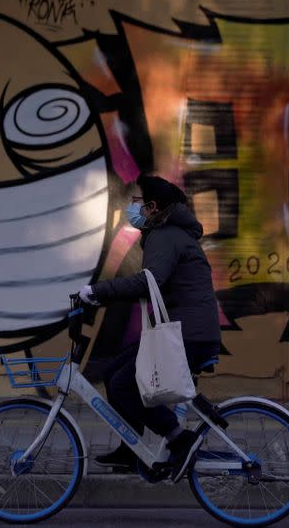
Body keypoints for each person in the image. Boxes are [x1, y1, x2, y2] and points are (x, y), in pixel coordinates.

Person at [77, 175, 221, 483]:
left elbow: (148, 281)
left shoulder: (164, 235)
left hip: (189, 337)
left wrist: (98, 291)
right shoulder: (168, 233)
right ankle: (133, 449)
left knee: (122, 385)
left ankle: (179, 438)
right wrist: (104, 298)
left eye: (137, 202)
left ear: (153, 207)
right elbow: (152, 286)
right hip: (186, 332)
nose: (132, 207)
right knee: (113, 372)